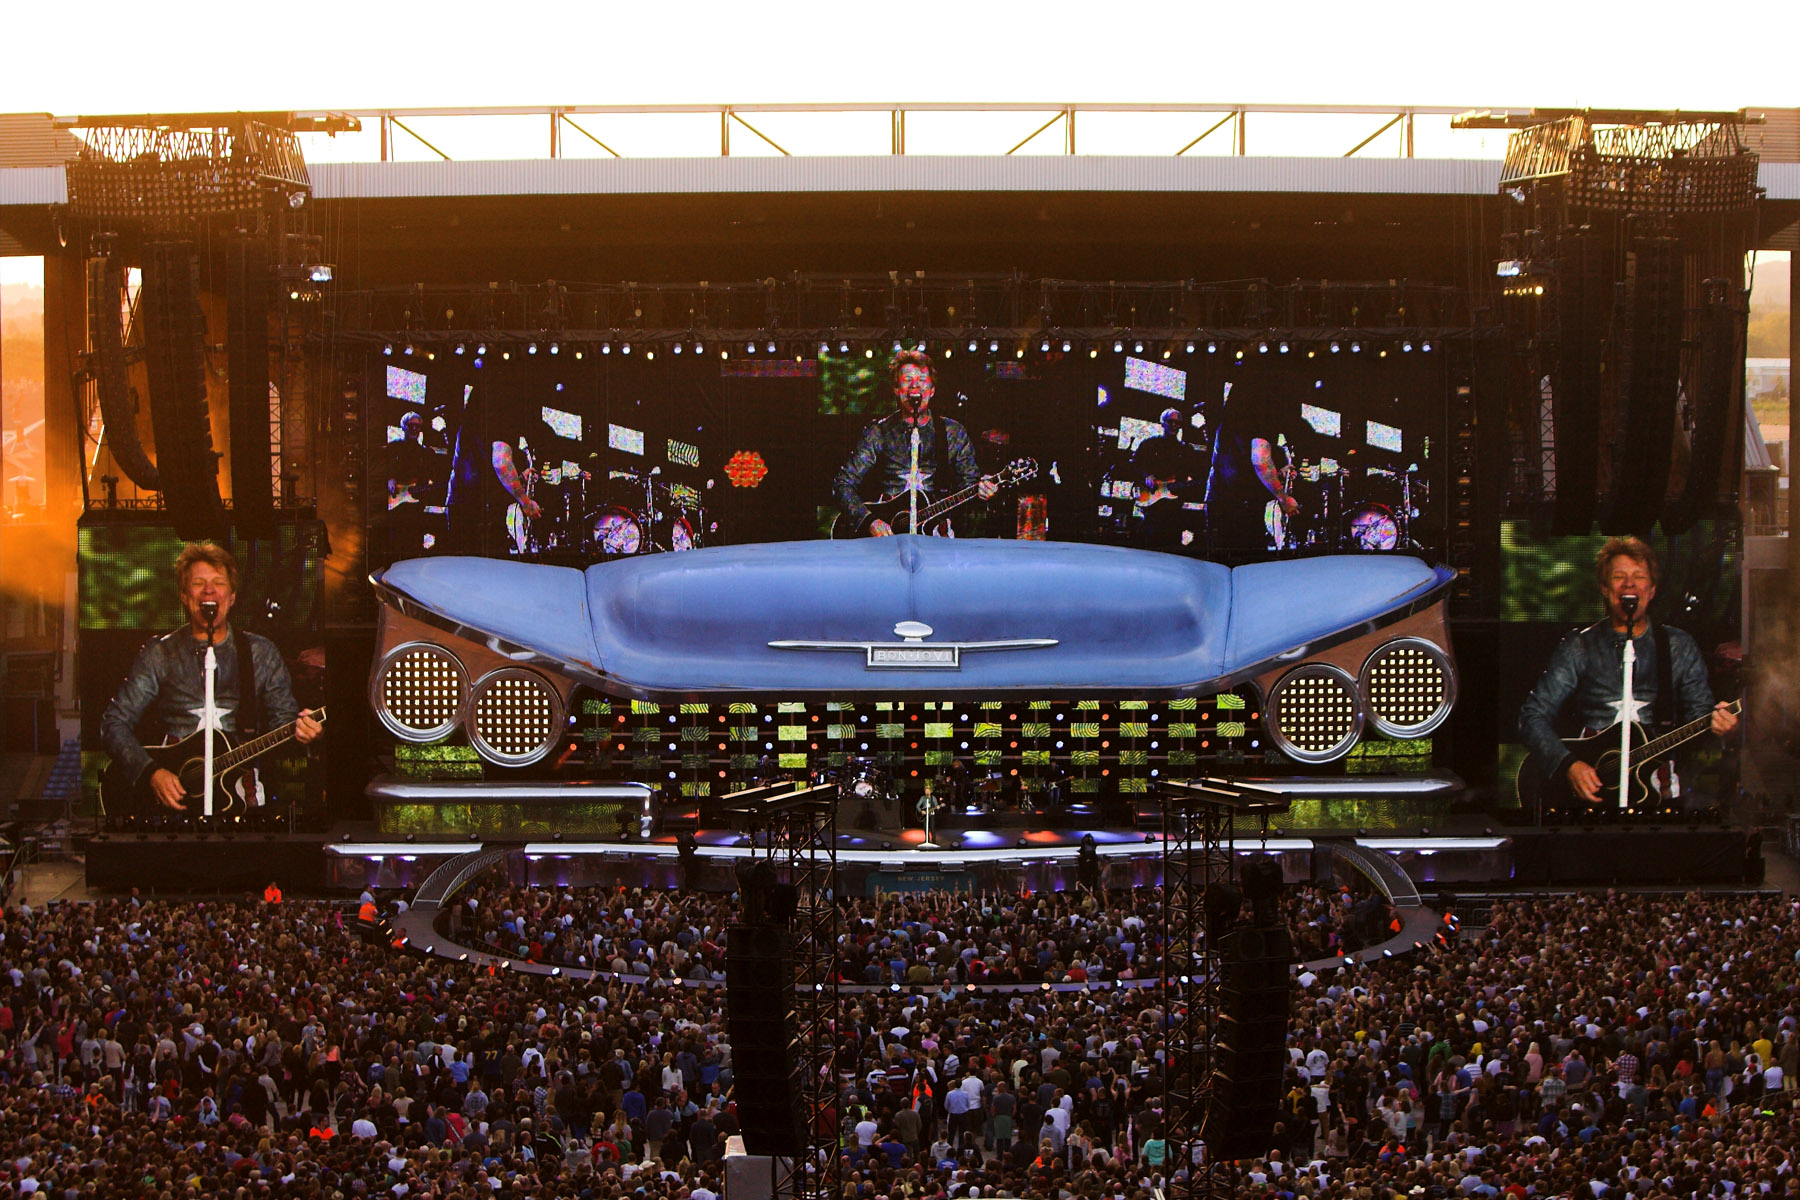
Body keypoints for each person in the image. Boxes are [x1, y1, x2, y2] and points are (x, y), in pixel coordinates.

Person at [1518, 536, 1736, 813]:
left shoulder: (1678, 645)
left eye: (1638, 576)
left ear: (1652, 590)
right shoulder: (1579, 645)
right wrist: (1567, 764)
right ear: (1605, 588)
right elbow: (1531, 717)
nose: (1629, 584)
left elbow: (1700, 721)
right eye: (1619, 577)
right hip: (1588, 801)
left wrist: (1722, 726)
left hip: (1657, 794)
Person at [100, 542, 321, 813]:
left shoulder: (260, 653)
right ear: (184, 595)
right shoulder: (160, 652)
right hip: (172, 805)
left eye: (218, 582)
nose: (209, 590)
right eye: (198, 583)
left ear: (232, 597)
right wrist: (150, 772)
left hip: (240, 799)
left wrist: (303, 733)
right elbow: (113, 724)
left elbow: (284, 725)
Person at [834, 350, 995, 536]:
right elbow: (843, 484)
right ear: (896, 389)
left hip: (936, 537)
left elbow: (970, 486)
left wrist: (983, 490)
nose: (915, 385)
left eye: (922, 380)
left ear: (932, 390)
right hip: (886, 540)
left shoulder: (952, 432)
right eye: (907, 380)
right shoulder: (878, 432)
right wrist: (869, 520)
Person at [1198, 383, 1298, 557]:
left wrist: (1278, 473)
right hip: (1242, 508)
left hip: (1217, 500)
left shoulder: (1230, 415)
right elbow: (1260, 460)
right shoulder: (1264, 409)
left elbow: (1241, 461)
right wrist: (1284, 498)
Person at [1128, 408, 1209, 549]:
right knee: (1150, 538)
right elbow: (1135, 464)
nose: (1174, 425)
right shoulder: (1149, 444)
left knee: (1171, 541)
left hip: (1174, 505)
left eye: (1178, 423)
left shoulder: (1186, 450)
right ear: (1163, 423)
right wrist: (1146, 475)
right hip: (1151, 504)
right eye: (1171, 422)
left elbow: (1194, 473)